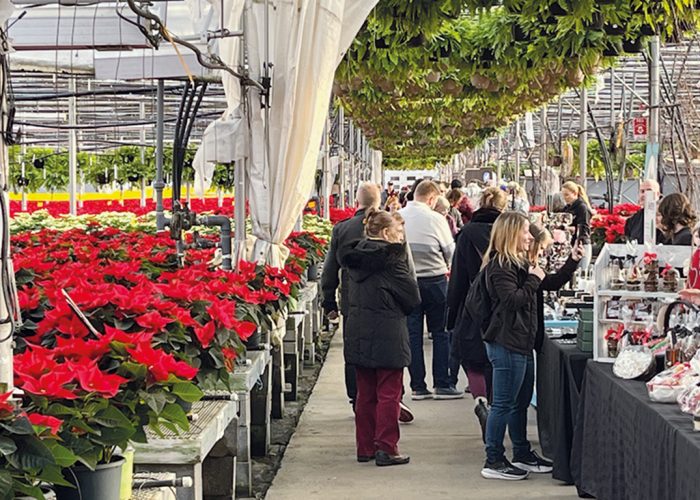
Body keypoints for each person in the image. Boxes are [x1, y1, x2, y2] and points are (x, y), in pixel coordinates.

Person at [321, 183, 416, 423]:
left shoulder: (342, 230)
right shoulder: (391, 228)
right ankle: (392, 405)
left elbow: (330, 267)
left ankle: (357, 398)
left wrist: (329, 300)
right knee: (389, 363)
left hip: (354, 301)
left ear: (357, 199)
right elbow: (408, 271)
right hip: (389, 304)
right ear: (379, 199)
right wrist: (409, 301)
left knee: (356, 354)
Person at [342, 209, 421, 466]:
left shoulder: (352, 259)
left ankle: (364, 447)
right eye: (398, 232)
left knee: (365, 393)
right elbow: (411, 297)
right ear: (386, 233)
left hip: (358, 330)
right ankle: (387, 447)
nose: (401, 237)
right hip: (388, 331)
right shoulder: (393, 259)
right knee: (389, 391)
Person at [478, 212, 548, 480]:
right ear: (511, 234)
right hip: (506, 343)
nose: (530, 237)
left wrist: (573, 262)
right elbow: (512, 300)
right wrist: (534, 279)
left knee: (519, 402)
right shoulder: (500, 266)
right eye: (525, 232)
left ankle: (522, 452)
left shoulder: (517, 263)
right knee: (503, 404)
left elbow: (543, 284)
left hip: (521, 341)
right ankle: (493, 459)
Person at [446, 187, 508, 440]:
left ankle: (480, 400)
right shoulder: (507, 230)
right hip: (502, 304)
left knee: (472, 359)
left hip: (472, 303)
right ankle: (494, 406)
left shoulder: (468, 231)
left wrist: (452, 310)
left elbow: (458, 274)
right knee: (497, 359)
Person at [400, 180, 460, 400]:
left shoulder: (398, 217)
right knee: (440, 333)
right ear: (433, 199)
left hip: (408, 282)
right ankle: (442, 384)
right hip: (435, 281)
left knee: (413, 334)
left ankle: (418, 386)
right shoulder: (437, 219)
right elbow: (450, 253)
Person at [561, 181, 592, 270]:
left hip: (581, 243)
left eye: (567, 195)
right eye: (563, 195)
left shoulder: (582, 207)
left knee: (580, 272)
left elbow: (584, 227)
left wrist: (567, 228)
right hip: (570, 243)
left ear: (574, 193)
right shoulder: (567, 208)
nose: (565, 198)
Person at [624, 179, 663, 244]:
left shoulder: (666, 214)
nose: (644, 194)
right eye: (642, 191)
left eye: (649, 190)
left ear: (658, 194)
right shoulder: (633, 219)